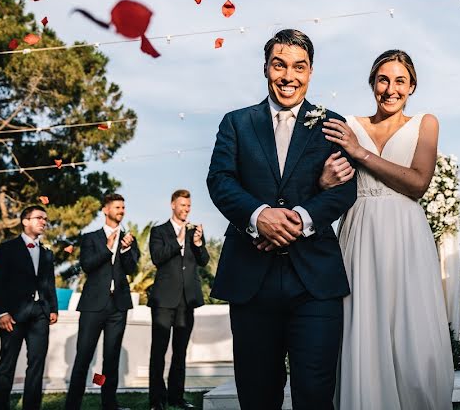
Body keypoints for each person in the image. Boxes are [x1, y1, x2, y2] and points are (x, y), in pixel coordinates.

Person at [206, 29, 357, 410]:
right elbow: (220, 180)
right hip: (250, 280)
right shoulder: (236, 123)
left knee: (315, 394)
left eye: (298, 67)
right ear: (266, 68)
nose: (288, 76)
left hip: (315, 284)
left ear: (310, 72)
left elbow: (343, 189)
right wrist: (259, 216)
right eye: (280, 65)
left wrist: (298, 219)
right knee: (257, 396)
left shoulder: (332, 125)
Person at [319, 49, 454, 410]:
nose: (390, 89)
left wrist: (360, 153)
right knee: (361, 325)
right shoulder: (348, 124)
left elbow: (417, 183)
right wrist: (325, 179)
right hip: (359, 231)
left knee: (413, 332)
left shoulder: (426, 123)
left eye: (399, 81)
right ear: (371, 83)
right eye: (383, 79)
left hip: (406, 234)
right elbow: (326, 182)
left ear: (412, 86)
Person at [65, 193, 141, 410]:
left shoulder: (129, 239)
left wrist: (126, 250)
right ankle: (72, 406)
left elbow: (131, 269)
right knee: (83, 357)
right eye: (117, 207)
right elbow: (87, 265)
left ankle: (109, 405)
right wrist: (107, 249)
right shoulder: (90, 238)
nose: (121, 211)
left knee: (111, 358)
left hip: (118, 306)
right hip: (93, 306)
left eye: (123, 207)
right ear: (105, 210)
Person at [0, 204, 58, 410]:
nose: (44, 222)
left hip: (40, 315)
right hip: (12, 315)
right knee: (7, 365)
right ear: (25, 221)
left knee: (37, 365)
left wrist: (53, 308)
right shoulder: (6, 248)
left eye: (45, 219)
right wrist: (1, 312)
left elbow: (49, 282)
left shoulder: (47, 253)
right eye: (39, 218)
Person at [148, 190, 210, 410]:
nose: (186, 209)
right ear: (173, 205)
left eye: (189, 205)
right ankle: (156, 400)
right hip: (164, 300)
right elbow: (157, 258)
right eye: (182, 205)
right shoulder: (158, 231)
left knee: (180, 352)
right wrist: (180, 240)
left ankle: (176, 397)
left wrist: (199, 242)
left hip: (187, 300)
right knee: (158, 352)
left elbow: (203, 261)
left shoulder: (194, 231)